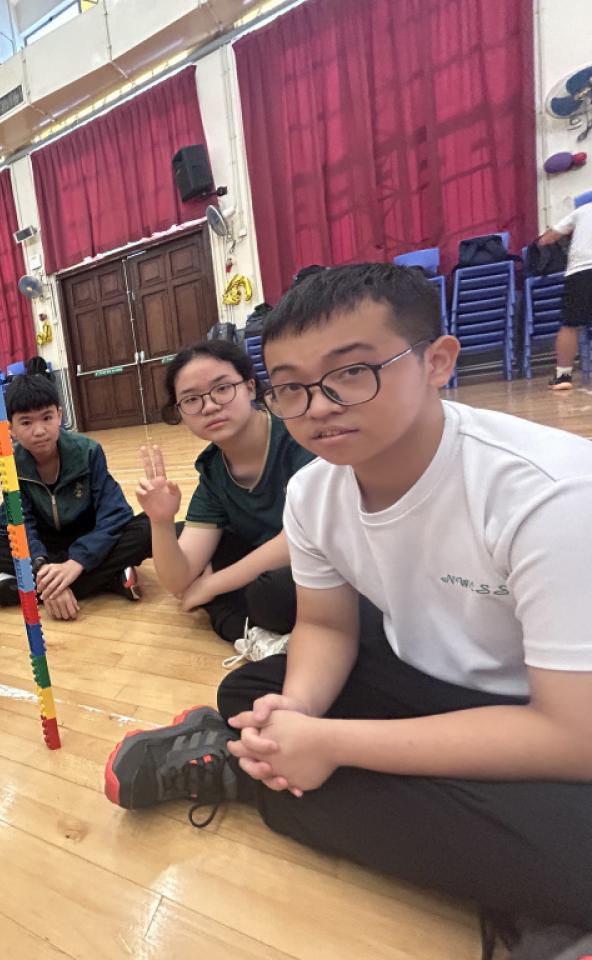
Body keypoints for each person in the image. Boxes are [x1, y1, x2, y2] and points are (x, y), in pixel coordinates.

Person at [104, 264, 592, 955]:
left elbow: (572, 735)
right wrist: (300, 712)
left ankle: (248, 775)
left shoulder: (549, 495)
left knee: (578, 848)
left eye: (353, 372)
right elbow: (326, 625)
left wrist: (331, 744)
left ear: (437, 362)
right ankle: (505, 866)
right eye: (293, 386)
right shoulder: (314, 494)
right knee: (254, 692)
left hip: (551, 713)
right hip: (429, 685)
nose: (319, 405)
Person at [138, 341, 314, 654]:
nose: (209, 406)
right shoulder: (213, 469)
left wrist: (211, 584)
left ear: (250, 387)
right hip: (261, 561)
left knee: (274, 593)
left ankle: (243, 625)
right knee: (179, 538)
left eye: (222, 389)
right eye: (191, 399)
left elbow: (301, 538)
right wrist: (160, 521)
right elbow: (178, 581)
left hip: (321, 559)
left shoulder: (297, 437)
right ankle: (259, 637)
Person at [0, 374, 150, 621]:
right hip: (46, 546)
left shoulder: (88, 452)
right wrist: (41, 565)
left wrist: (76, 562)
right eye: (26, 423)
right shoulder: (10, 465)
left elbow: (116, 513)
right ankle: (107, 579)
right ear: (11, 429)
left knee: (147, 528)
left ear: (60, 415)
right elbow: (21, 524)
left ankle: (35, 588)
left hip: (89, 537)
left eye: (47, 417)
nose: (40, 431)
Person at [537, 198, 592, 391]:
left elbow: (547, 239)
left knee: (570, 325)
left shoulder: (583, 210)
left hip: (580, 271)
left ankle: (563, 376)